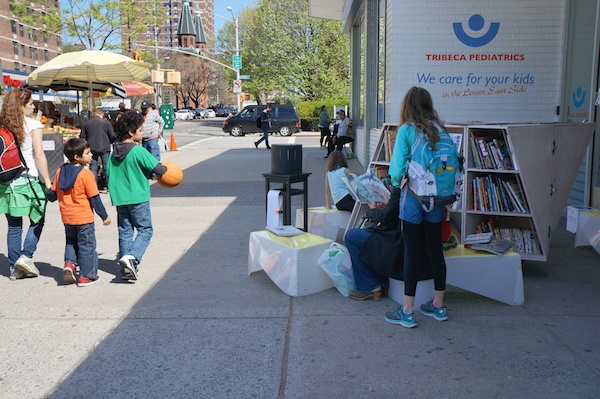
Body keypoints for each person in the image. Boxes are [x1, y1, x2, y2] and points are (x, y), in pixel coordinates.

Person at [384, 86, 457, 328]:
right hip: (438, 198)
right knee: (435, 250)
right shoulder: (440, 128)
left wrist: (396, 183)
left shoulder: (407, 130)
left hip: (414, 198)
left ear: (407, 106)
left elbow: (396, 171)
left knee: (411, 253)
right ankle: (438, 306)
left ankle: (407, 311)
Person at [106, 111, 167, 281]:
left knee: (125, 232)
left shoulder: (112, 155)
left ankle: (126, 269)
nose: (142, 133)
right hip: (138, 197)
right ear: (131, 133)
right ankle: (132, 257)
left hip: (120, 199)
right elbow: (159, 169)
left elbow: (109, 174)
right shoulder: (138, 151)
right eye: (140, 130)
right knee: (145, 230)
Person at [0, 88, 51, 280]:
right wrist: (47, 181)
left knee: (14, 226)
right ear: (21, 106)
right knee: (38, 219)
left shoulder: (2, 126)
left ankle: (15, 268)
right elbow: (39, 155)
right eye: (30, 104)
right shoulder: (33, 125)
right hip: (28, 179)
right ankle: (26, 255)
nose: (33, 107)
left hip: (5, 182)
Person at [46, 138, 111, 286]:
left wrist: (46, 190)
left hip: (67, 217)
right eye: (87, 153)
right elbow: (94, 198)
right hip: (84, 217)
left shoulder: (59, 171)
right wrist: (104, 216)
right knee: (87, 246)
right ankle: (87, 276)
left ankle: (69, 264)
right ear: (77, 157)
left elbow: (52, 195)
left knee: (71, 242)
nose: (91, 156)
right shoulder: (86, 174)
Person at [79, 108, 116, 184]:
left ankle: (94, 186)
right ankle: (109, 186)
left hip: (91, 148)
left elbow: (82, 137)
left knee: (93, 168)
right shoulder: (106, 123)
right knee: (106, 167)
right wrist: (110, 142)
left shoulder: (86, 123)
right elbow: (112, 135)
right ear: (101, 114)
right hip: (105, 147)